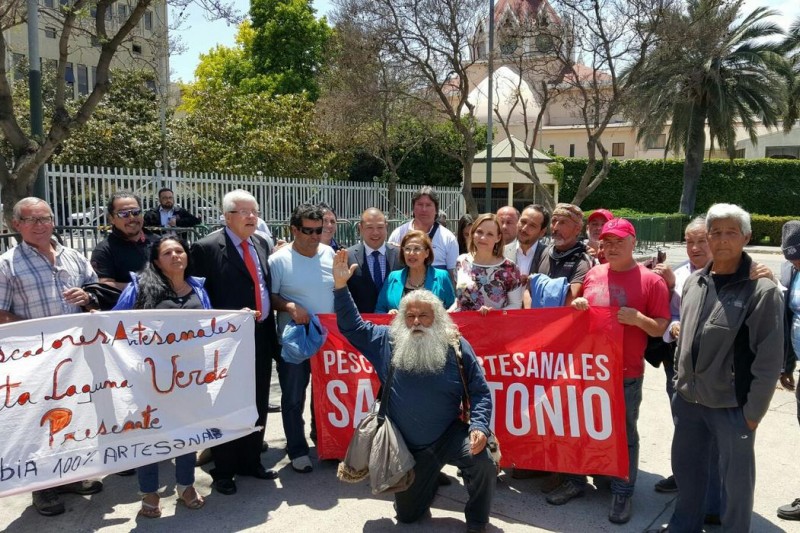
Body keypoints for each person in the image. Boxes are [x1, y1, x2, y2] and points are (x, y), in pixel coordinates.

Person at [332, 250, 496, 533]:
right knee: (408, 516)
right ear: (402, 319)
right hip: (406, 446)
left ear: (439, 318)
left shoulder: (456, 345)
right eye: (410, 316)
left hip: (449, 435)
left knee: (483, 459)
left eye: (424, 315)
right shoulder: (386, 340)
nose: (417, 321)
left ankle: (478, 520)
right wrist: (340, 287)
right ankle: (427, 478)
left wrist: (479, 425)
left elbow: (480, 390)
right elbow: (352, 326)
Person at [661, 204, 783, 533]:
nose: (722, 239)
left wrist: (752, 413)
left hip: (733, 407)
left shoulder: (762, 289)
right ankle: (683, 526)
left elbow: (769, 361)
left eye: (731, 232)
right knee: (688, 475)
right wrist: (679, 382)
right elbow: (685, 336)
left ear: (746, 237)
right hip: (689, 403)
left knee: (735, 487)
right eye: (716, 232)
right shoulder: (694, 282)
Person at [558, 218, 670, 524]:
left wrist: (638, 320)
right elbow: (575, 315)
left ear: (633, 242)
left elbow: (661, 327)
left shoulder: (651, 282)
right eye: (607, 242)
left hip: (625, 371)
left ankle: (623, 491)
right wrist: (578, 304)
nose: (612, 247)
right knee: (580, 426)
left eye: (619, 241)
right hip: (588, 368)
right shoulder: (594, 273)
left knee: (623, 433)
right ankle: (576, 481)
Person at [0, 197, 104, 516]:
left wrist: (88, 297)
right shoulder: (7, 264)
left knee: (72, 416)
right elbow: (1, 313)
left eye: (45, 218)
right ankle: (42, 488)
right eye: (32, 220)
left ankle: (68, 475)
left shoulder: (73, 256)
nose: (41, 225)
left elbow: (94, 289)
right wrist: (42, 333)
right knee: (36, 422)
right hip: (34, 360)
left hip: (75, 358)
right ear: (16, 225)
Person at [191, 189, 280, 496]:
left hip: (261, 334)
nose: (251, 217)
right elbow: (199, 297)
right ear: (228, 216)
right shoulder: (206, 248)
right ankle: (224, 469)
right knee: (227, 403)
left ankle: (251, 460)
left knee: (257, 400)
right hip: (225, 342)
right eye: (244, 212)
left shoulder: (261, 243)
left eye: (254, 212)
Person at [112, 236, 209, 517]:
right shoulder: (140, 288)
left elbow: (212, 323)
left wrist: (237, 318)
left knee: (187, 431)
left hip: (189, 376)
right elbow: (115, 323)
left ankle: (186, 486)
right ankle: (150, 492)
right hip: (149, 376)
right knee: (149, 433)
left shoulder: (198, 288)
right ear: (156, 261)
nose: (175, 256)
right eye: (167, 253)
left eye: (180, 250)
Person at [268, 203, 335, 474]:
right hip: (294, 341)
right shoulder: (278, 260)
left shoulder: (330, 253)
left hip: (327, 338)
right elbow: (269, 297)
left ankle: (323, 442)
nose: (315, 236)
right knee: (293, 395)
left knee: (324, 394)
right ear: (294, 229)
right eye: (308, 230)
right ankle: (297, 449)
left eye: (319, 230)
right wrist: (288, 306)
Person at [453, 214, 524, 314]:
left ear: (498, 238)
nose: (483, 238)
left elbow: (516, 305)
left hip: (494, 327)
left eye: (490, 234)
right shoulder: (461, 261)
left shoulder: (510, 268)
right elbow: (459, 300)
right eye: (479, 232)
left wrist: (495, 313)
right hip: (463, 327)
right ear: (472, 233)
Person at [91, 192, 160, 292]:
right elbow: (104, 285)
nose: (131, 218)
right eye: (123, 214)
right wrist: (142, 288)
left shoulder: (159, 242)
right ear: (111, 219)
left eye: (136, 212)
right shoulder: (104, 250)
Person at [388, 186, 459, 283]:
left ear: (436, 209)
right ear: (413, 208)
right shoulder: (398, 233)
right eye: (420, 204)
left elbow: (452, 275)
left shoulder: (448, 238)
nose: (424, 209)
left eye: (428, 205)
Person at [778, 220, 800, 521]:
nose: (796, 261)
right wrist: (787, 363)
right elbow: (787, 317)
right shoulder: (792, 271)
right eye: (791, 257)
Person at [375, 230, 455, 313]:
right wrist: (388, 315)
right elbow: (379, 310)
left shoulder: (442, 277)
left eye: (417, 249)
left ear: (427, 253)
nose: (411, 253)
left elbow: (453, 309)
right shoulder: (393, 277)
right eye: (407, 249)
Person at [534, 203, 594, 303]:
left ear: (577, 229)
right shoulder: (543, 252)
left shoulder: (583, 260)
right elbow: (529, 288)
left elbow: (570, 300)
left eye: (562, 223)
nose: (555, 227)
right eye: (553, 221)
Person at [346, 208, 402, 313]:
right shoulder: (348, 257)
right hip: (361, 323)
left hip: (394, 322)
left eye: (380, 227)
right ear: (360, 228)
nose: (375, 232)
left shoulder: (400, 255)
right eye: (369, 227)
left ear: (386, 227)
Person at [503, 204, 549, 277]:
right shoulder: (501, 253)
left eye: (532, 226)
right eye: (523, 222)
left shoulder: (549, 256)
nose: (524, 229)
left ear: (542, 232)